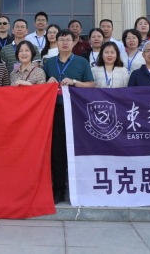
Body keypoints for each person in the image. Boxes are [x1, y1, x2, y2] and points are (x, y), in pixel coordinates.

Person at [43, 29, 95, 204]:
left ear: (74, 42)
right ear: (56, 42)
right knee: (57, 152)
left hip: (76, 111)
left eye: (68, 40)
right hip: (55, 111)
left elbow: (91, 84)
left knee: (77, 151)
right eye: (61, 40)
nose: (64, 43)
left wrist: (74, 82)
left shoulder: (81, 62)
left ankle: (79, 190)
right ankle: (58, 191)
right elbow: (41, 87)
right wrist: (47, 83)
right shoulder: (49, 63)